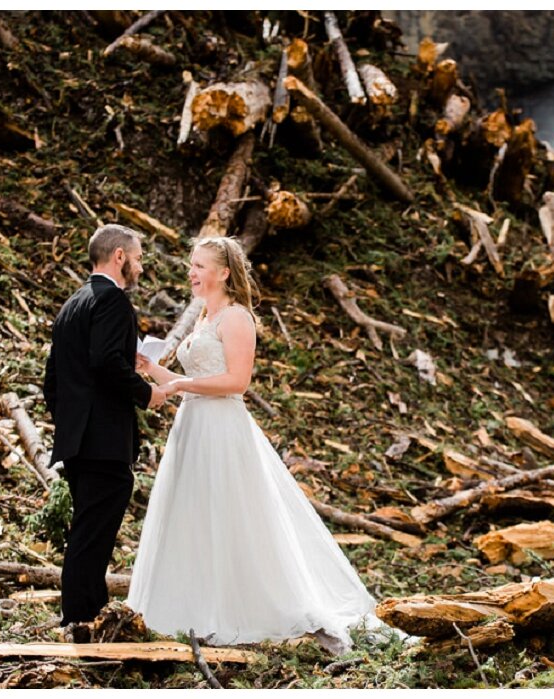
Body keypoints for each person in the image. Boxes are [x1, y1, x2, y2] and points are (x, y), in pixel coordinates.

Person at [128, 237, 381, 652]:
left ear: (223, 272)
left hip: (223, 428)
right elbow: (183, 383)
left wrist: (181, 383)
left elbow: (237, 382)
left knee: (232, 515)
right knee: (193, 514)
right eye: (191, 265)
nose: (191, 272)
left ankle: (243, 607)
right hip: (192, 426)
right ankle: (194, 606)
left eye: (199, 266)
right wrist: (151, 368)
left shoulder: (236, 318)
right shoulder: (202, 320)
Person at [44, 224, 167, 637]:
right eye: (139, 258)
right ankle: (80, 617)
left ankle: (85, 613)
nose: (141, 266)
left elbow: (53, 381)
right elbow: (106, 363)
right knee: (93, 533)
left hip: (78, 440)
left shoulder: (72, 305)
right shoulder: (112, 301)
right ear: (119, 257)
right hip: (103, 441)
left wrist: (71, 424)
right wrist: (145, 392)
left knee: (88, 528)